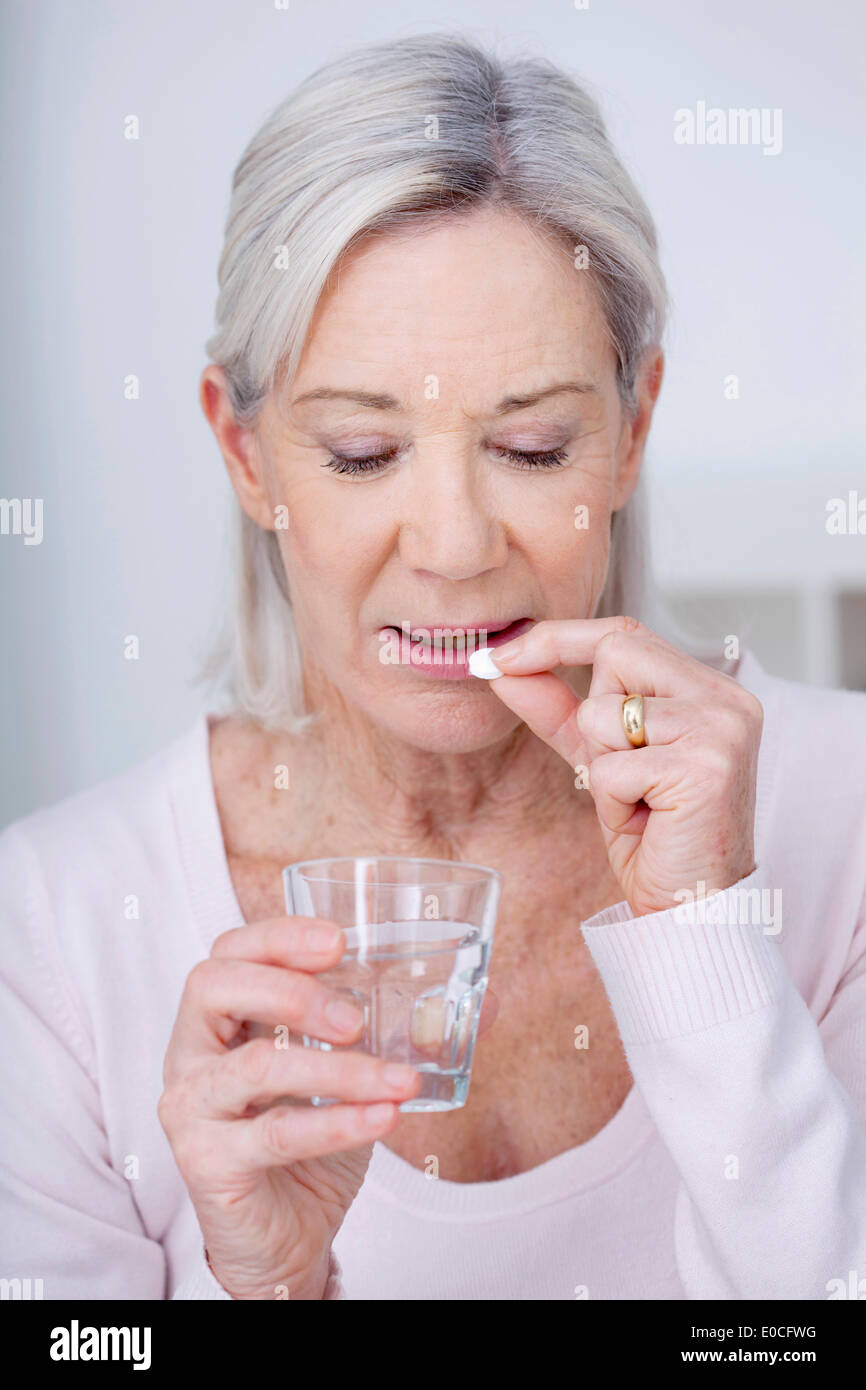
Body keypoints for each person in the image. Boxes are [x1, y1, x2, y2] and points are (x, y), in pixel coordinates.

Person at [2, 32, 865, 1302]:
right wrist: (280, 1292)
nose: (455, 547)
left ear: (630, 433)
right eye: (362, 453)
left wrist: (709, 942)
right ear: (243, 454)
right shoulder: (50, 933)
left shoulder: (846, 818)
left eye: (532, 445)